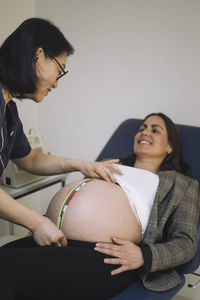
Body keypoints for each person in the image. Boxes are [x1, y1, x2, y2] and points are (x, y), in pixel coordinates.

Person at [2, 113, 199, 300]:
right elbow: (77, 197)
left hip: (102, 254)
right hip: (56, 238)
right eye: (142, 128)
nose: (144, 132)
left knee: (8, 270)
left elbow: (186, 243)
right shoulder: (109, 164)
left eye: (155, 130)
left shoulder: (182, 185)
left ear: (170, 146)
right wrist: (45, 220)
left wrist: (144, 256)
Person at [0, 17, 121, 249]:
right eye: (60, 70)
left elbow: (30, 159)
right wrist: (35, 222)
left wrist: (79, 165)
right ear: (38, 55)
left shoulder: (9, 111)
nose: (56, 84)